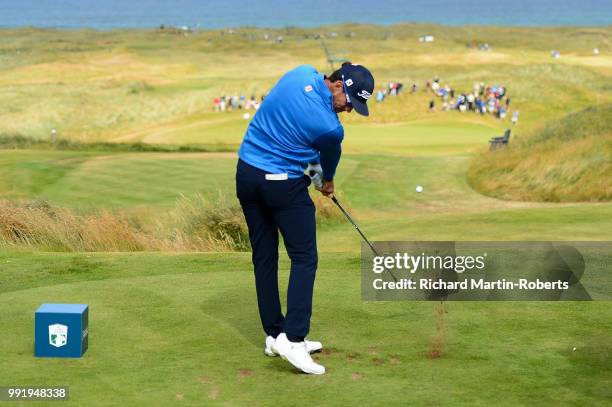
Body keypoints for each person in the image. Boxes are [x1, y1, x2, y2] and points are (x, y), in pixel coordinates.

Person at [236, 62, 374, 375]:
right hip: (280, 184)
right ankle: (294, 339)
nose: (350, 110)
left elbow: (299, 140)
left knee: (265, 256)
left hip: (246, 174)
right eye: (350, 102)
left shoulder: (298, 72)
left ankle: (274, 335)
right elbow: (326, 167)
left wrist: (313, 173)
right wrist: (326, 182)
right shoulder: (331, 128)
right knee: (304, 258)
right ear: (338, 85)